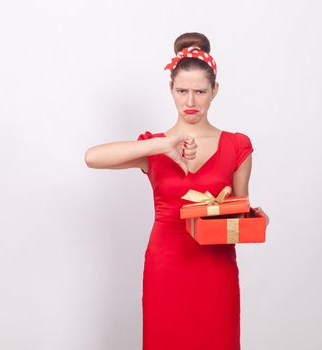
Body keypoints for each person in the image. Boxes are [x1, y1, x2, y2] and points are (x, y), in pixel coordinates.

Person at [85, 32, 269, 350]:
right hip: (166, 266)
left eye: (199, 91)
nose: (190, 102)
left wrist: (255, 220)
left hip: (215, 270)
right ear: (171, 90)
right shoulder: (154, 147)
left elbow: (237, 215)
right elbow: (92, 158)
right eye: (182, 91)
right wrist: (161, 144)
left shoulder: (237, 145)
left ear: (215, 91)